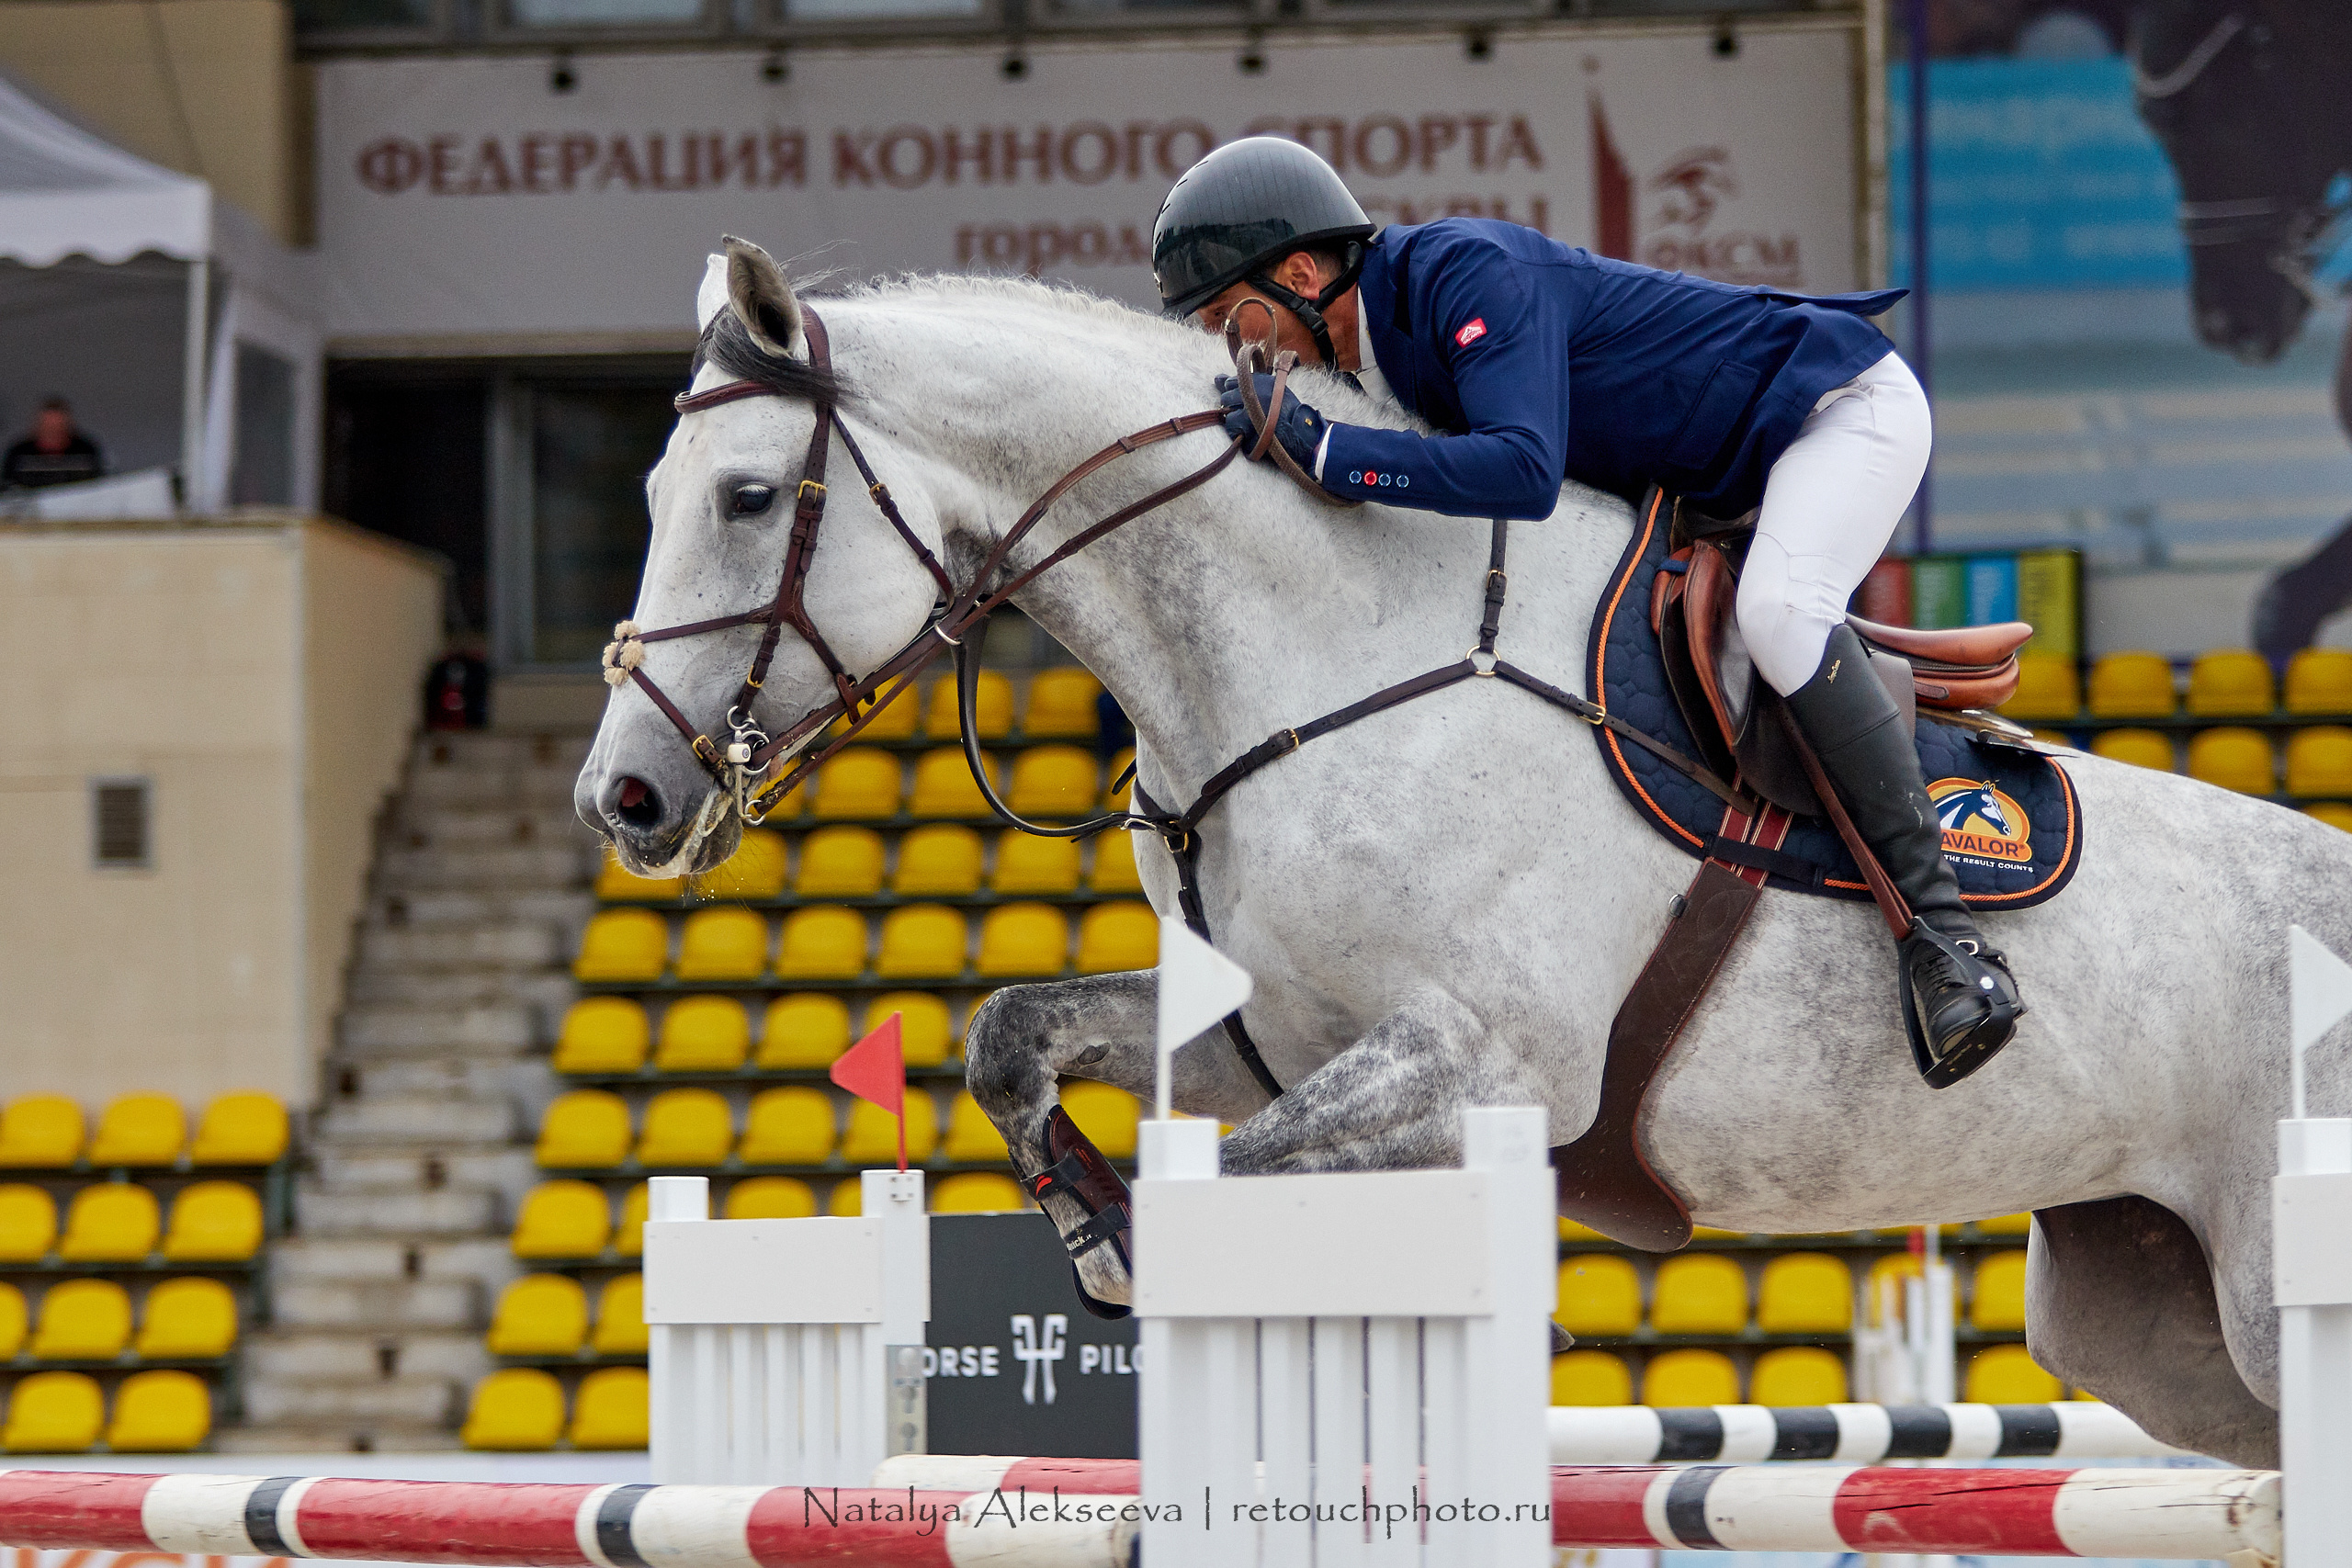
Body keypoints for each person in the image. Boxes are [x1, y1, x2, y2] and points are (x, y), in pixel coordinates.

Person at [1151, 136, 2023, 1086]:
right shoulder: (1376, 363)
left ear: (1301, 272)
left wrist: (1326, 453)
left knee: (1779, 614)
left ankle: (1948, 940)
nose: (1233, 348)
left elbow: (1523, 472)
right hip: (1723, 474)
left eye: (1227, 317)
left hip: (1835, 415)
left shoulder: (1458, 273)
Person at [3, 399, 104, 491]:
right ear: (37, 427)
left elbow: (98, 485)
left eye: (58, 427)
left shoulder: (86, 450)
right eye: (48, 427)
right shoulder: (19, 452)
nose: (53, 432)